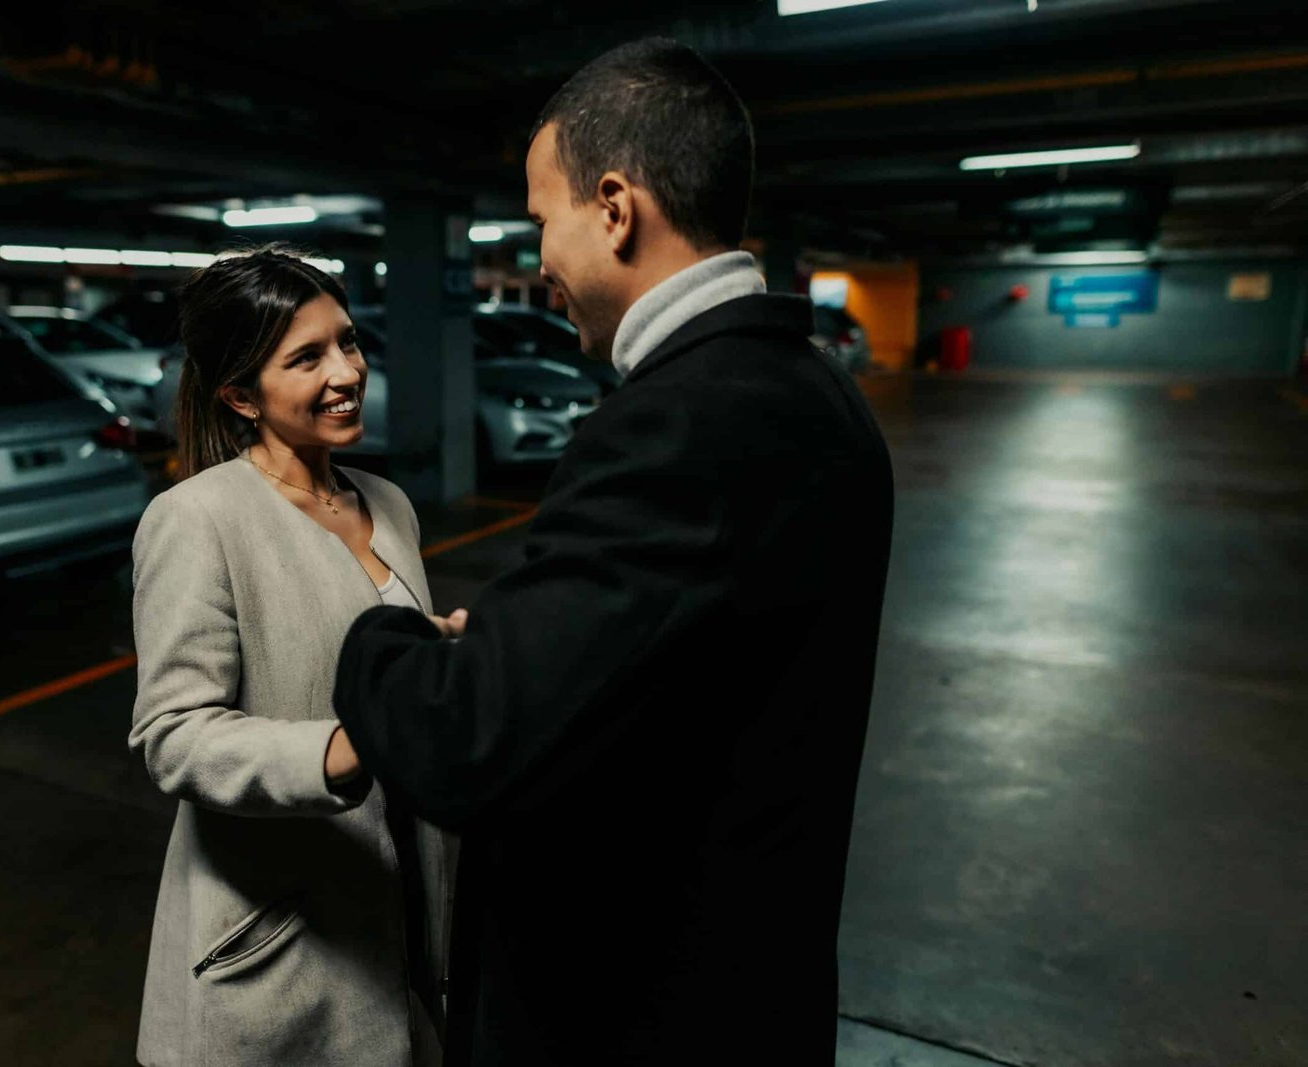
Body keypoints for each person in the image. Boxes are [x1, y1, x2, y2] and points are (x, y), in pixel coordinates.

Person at [331, 38, 895, 1066]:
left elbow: (469, 740)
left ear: (614, 206)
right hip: (750, 993)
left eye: (541, 219)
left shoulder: (682, 423)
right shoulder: (818, 392)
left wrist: (382, 638)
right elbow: (653, 659)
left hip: (636, 1017)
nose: (537, 255)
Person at [128, 248, 446, 1067]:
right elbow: (173, 733)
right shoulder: (197, 519)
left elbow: (382, 656)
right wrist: (339, 749)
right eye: (306, 357)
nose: (346, 371)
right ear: (241, 394)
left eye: (348, 341)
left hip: (404, 902)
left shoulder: (390, 503)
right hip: (286, 942)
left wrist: (447, 662)